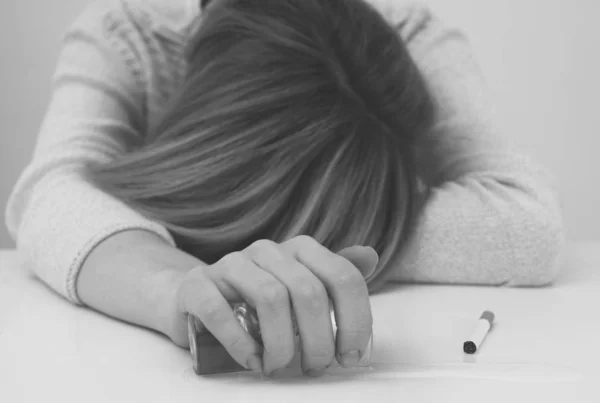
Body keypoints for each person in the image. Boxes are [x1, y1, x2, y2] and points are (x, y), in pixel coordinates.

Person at [4, 0, 564, 378]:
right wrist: (181, 288)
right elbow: (49, 194)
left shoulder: (413, 33)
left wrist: (254, 244)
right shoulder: (128, 34)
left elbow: (526, 221)